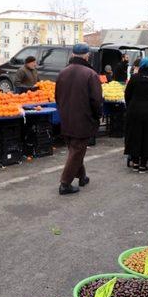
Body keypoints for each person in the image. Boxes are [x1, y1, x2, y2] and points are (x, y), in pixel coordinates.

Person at [55, 43, 103, 195]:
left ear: (73, 55)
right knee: (77, 150)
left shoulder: (62, 73)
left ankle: (82, 176)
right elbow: (96, 100)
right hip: (83, 119)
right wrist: (97, 115)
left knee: (75, 148)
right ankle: (65, 183)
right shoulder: (90, 74)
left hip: (66, 117)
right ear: (87, 55)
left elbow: (57, 97)